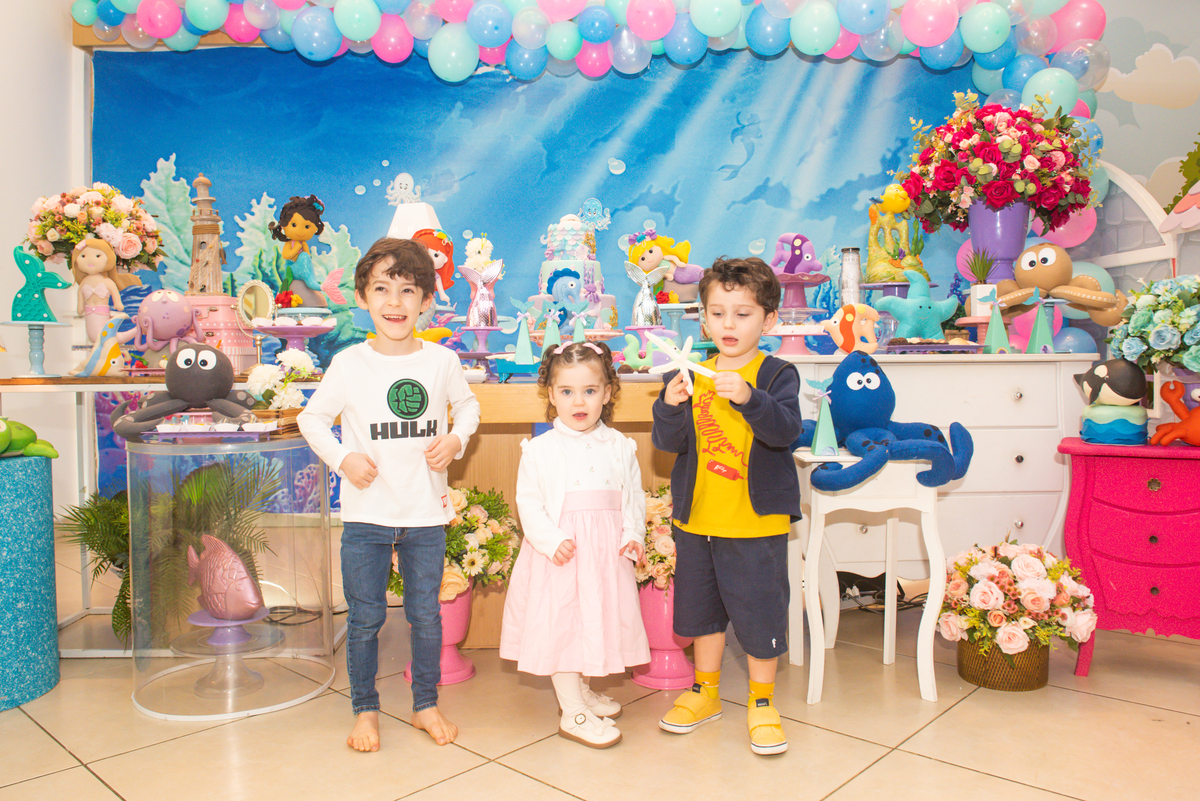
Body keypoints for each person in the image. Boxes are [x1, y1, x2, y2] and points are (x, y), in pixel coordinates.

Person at [298, 237, 480, 753]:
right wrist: (343, 459)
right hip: (366, 516)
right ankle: (365, 709)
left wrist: (455, 439)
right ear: (362, 297)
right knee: (366, 618)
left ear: (427, 301)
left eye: (408, 290)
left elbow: (468, 408)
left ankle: (425, 704)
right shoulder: (349, 363)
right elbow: (312, 419)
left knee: (425, 615)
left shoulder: (442, 361)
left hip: (425, 514)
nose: (395, 302)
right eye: (382, 289)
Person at [651, 257, 803, 756]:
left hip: (756, 523)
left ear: (769, 319)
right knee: (702, 612)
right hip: (698, 520)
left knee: (760, 613)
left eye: (742, 313)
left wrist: (751, 398)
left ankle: (762, 700)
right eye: (717, 314)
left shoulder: (777, 374)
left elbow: (785, 431)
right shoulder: (692, 373)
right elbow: (669, 444)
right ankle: (706, 691)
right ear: (703, 319)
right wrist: (668, 406)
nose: (728, 325)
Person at [500, 340, 650, 749]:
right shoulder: (541, 449)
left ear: (607, 393)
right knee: (564, 625)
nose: (578, 401)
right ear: (551, 395)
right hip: (562, 555)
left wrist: (633, 534)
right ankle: (572, 711)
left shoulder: (620, 445)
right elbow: (529, 502)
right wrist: (551, 540)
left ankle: (581, 689)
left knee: (593, 620)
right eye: (567, 391)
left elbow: (632, 497)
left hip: (604, 554)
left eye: (589, 390)